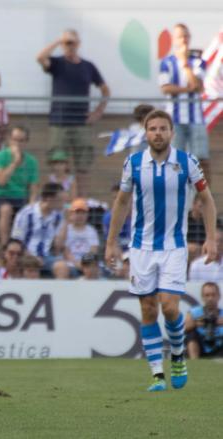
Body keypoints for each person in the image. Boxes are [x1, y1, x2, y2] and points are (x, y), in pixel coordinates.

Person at [105, 109, 218, 392]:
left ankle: (178, 355)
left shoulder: (187, 161)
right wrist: (110, 242)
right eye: (152, 128)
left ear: (172, 132)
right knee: (147, 309)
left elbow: (206, 199)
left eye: (162, 129)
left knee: (169, 308)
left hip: (174, 248)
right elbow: (121, 203)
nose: (157, 133)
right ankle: (157, 374)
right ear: (145, 133)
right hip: (141, 248)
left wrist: (211, 238)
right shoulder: (133, 162)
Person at [36, 29, 110, 196]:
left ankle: (80, 202)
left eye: (72, 42)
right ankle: (58, 200)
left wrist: (98, 112)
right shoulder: (56, 63)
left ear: (78, 44)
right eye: (66, 43)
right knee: (58, 163)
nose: (69, 46)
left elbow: (105, 90)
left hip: (81, 124)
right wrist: (58, 41)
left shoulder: (88, 66)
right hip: (59, 123)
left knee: (82, 166)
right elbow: (40, 58)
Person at [159, 24, 210, 181]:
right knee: (174, 160)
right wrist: (188, 90)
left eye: (186, 36)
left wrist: (185, 64)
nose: (184, 39)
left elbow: (198, 85)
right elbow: (166, 88)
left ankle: (201, 198)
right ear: (175, 39)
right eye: (181, 36)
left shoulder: (198, 61)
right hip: (174, 120)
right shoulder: (166, 62)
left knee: (201, 159)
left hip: (196, 119)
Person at [0, 125, 39, 246]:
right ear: (10, 140)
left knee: (32, 212)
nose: (17, 143)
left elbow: (34, 187)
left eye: (21, 140)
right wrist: (15, 162)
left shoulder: (32, 161)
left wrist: (32, 205)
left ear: (26, 142)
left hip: (20, 198)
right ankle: (5, 247)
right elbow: (1, 181)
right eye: (15, 139)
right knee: (6, 209)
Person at [10, 182, 64, 264]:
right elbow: (17, 240)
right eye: (60, 200)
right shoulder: (26, 214)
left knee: (62, 267)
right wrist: (32, 258)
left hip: (47, 257)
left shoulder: (58, 217)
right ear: (49, 199)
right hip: (27, 256)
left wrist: (66, 221)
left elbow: (58, 246)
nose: (62, 203)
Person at [54, 198, 100, 274]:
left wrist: (85, 264)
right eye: (77, 212)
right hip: (70, 264)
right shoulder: (66, 229)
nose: (80, 216)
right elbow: (65, 251)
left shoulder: (91, 231)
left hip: (88, 264)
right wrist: (76, 263)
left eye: (83, 213)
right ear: (71, 214)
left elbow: (93, 250)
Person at [185, 282, 223, 359]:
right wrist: (197, 323)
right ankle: (195, 363)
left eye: (213, 295)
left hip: (219, 346)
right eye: (207, 295)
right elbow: (184, 328)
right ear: (202, 297)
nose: (210, 298)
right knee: (191, 334)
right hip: (201, 346)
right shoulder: (194, 312)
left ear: (219, 296)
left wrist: (217, 322)